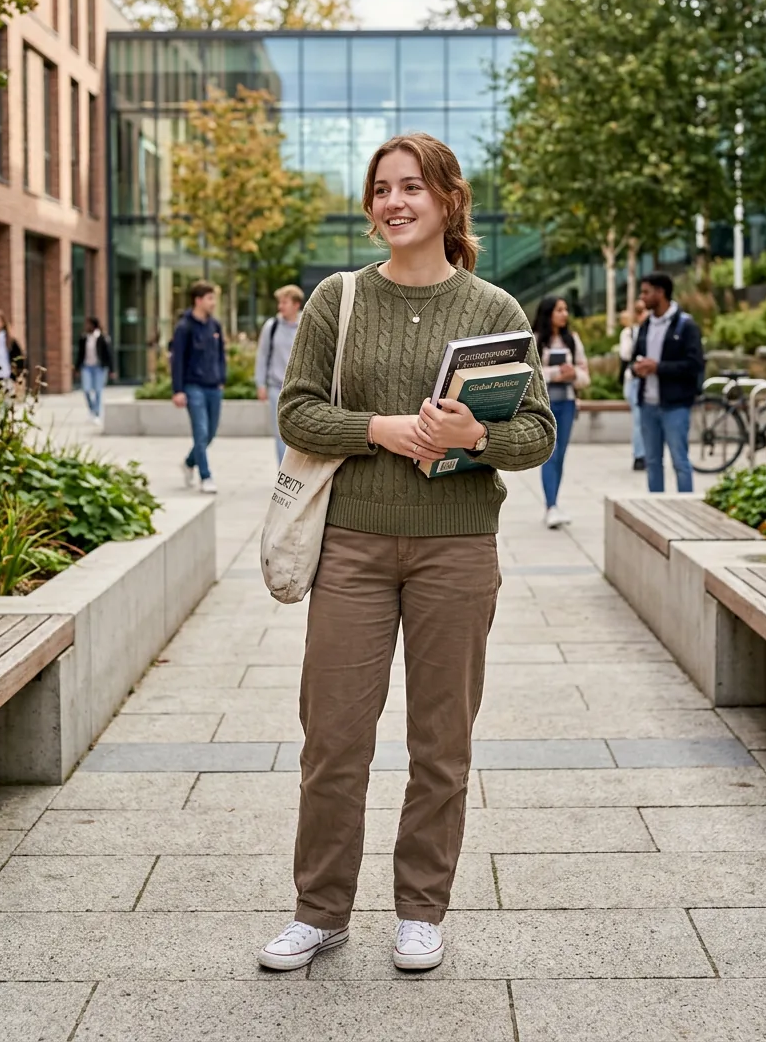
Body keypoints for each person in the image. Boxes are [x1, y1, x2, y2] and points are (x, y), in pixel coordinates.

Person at [258, 132, 556, 975]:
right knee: (334, 739)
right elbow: (298, 413)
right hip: (349, 545)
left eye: (411, 188)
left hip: (457, 549)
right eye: (381, 189)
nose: (394, 202)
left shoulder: (495, 309)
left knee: (441, 741)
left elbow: (537, 433)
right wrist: (382, 430)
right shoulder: (338, 299)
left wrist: (475, 436)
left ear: (448, 200)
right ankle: (319, 910)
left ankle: (421, 910)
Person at [632, 272, 704, 494]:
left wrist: (658, 367)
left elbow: (694, 365)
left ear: (660, 292)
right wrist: (636, 369)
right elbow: (633, 359)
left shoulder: (686, 325)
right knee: (653, 462)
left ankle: (686, 510)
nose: (642, 297)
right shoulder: (645, 326)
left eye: (646, 292)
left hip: (675, 405)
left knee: (680, 461)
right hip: (648, 405)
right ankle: (656, 509)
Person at [533, 295, 590, 529]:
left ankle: (554, 503)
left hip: (567, 405)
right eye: (559, 310)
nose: (564, 314)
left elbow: (585, 376)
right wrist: (557, 373)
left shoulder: (573, 341)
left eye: (566, 309)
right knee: (550, 454)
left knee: (561, 455)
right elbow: (530, 375)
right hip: (544, 406)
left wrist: (573, 374)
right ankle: (550, 505)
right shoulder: (535, 340)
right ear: (548, 313)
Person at [171, 281, 226, 495]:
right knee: (201, 432)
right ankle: (206, 475)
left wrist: (222, 378)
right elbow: (177, 360)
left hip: (214, 386)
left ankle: (188, 462)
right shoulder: (184, 327)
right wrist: (178, 390)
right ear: (198, 300)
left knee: (210, 433)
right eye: (210, 298)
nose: (213, 303)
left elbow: (221, 355)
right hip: (193, 386)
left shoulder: (215, 326)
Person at [254, 284, 304, 464]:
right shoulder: (272, 326)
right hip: (276, 387)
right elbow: (262, 354)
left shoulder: (305, 324)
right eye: (280, 302)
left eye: (284, 302)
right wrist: (260, 384)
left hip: (299, 388)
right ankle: (283, 472)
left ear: (296, 305)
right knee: (280, 432)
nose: (280, 306)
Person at [619, 297, 649, 472]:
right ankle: (639, 455)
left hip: (649, 380)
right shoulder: (630, 332)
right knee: (639, 419)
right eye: (639, 311)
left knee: (645, 420)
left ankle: (646, 453)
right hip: (634, 380)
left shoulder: (654, 330)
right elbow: (626, 354)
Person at [76, 316, 112, 424]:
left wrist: (111, 369)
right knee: (86, 390)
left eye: (88, 324)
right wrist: (77, 368)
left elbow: (108, 354)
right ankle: (91, 410)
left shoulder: (102, 338)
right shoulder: (84, 338)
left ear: (93, 325)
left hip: (99, 367)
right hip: (86, 367)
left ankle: (97, 413)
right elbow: (80, 354)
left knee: (98, 390)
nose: (86, 327)